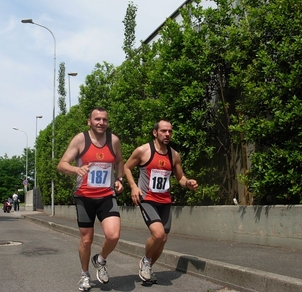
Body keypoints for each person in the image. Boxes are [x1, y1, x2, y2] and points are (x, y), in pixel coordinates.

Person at [57, 107, 124, 291]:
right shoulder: (81, 139)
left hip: (106, 196)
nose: (101, 122)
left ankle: (100, 260)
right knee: (86, 240)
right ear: (89, 121)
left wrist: (119, 179)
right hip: (84, 197)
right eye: (97, 119)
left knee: (114, 235)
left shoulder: (114, 140)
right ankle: (84, 274)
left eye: (104, 120)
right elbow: (62, 164)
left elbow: (119, 161)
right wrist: (76, 169)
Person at [123, 119, 198, 284]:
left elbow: (180, 178)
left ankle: (147, 264)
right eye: (164, 131)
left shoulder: (174, 155)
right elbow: (126, 167)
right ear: (155, 133)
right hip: (147, 199)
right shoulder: (143, 151)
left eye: (170, 131)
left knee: (163, 239)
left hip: (165, 201)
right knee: (158, 234)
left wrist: (188, 183)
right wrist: (133, 187)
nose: (167, 134)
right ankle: (146, 261)